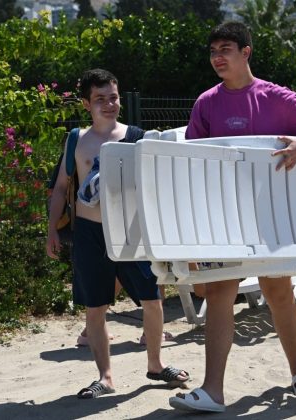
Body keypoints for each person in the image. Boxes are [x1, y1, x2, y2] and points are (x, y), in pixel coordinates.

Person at [168, 22, 296, 413]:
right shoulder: (206, 102)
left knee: (278, 292)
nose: (217, 57)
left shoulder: (275, 96)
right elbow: (194, 163)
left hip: (270, 217)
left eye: (225, 48)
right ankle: (213, 391)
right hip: (225, 216)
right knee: (219, 290)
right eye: (213, 50)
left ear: (246, 52)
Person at [46, 68, 189, 399]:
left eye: (113, 97)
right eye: (100, 99)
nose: (109, 104)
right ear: (86, 104)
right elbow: (61, 189)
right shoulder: (76, 140)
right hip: (89, 234)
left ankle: (156, 365)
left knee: (153, 301)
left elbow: (158, 186)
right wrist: (51, 229)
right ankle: (105, 377)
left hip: (131, 233)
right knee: (95, 308)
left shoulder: (137, 136)